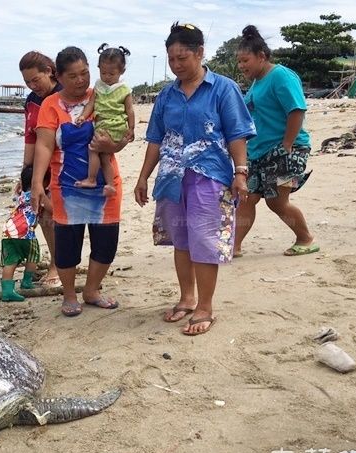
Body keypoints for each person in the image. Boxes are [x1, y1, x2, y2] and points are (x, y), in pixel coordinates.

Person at [134, 22, 256, 335]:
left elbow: (237, 134)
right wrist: (143, 178)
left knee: (205, 241)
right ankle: (187, 299)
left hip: (210, 177)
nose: (176, 65)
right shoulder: (166, 95)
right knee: (181, 240)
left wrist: (240, 172)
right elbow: (155, 139)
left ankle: (205, 306)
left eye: (183, 58)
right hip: (172, 179)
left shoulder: (223, 88)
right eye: (171, 59)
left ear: (200, 53)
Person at [31, 46, 128, 317]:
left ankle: (92, 290)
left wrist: (116, 143)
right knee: (67, 245)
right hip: (67, 188)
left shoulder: (101, 95)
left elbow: (122, 132)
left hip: (106, 186)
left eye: (85, 73)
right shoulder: (51, 105)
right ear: (58, 77)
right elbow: (44, 146)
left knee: (106, 242)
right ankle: (70, 295)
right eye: (73, 76)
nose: (81, 81)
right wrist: (37, 183)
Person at [233, 25, 318, 257]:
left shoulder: (280, 75)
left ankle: (306, 238)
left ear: (261, 56)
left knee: (277, 202)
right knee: (247, 198)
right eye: (239, 62)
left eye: (245, 60)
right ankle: (234, 246)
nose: (241, 66)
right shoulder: (256, 82)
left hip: (287, 148)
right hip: (259, 151)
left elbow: (296, 110)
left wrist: (287, 144)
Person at [19, 51, 63, 288]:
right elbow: (30, 137)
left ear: (49, 71)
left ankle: (66, 261)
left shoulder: (64, 94)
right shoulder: (31, 101)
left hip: (66, 163)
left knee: (64, 216)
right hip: (41, 166)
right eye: (27, 82)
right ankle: (57, 263)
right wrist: (25, 173)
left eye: (36, 79)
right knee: (45, 213)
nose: (32, 85)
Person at [75, 43, 136, 197]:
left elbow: (130, 110)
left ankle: (91, 179)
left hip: (112, 126)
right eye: (103, 73)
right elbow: (91, 104)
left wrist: (131, 128)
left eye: (112, 74)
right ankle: (110, 184)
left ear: (122, 71)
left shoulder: (124, 89)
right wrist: (83, 115)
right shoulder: (99, 86)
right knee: (104, 156)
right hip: (110, 126)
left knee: (93, 149)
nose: (107, 77)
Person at [0, 166, 46, 302]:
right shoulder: (37, 196)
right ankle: (26, 282)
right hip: (24, 231)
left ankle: (7, 291)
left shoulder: (19, 196)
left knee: (11, 260)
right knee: (33, 255)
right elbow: (51, 209)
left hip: (8, 229)